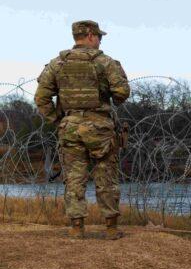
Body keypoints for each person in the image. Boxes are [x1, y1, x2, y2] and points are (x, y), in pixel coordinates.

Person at [34, 20, 130, 239]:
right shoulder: (105, 63)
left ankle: (77, 227)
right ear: (89, 35)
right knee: (106, 175)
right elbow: (121, 94)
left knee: (74, 177)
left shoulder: (56, 64)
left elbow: (41, 97)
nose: (99, 40)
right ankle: (111, 228)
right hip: (100, 129)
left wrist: (58, 120)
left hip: (70, 128)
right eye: (99, 36)